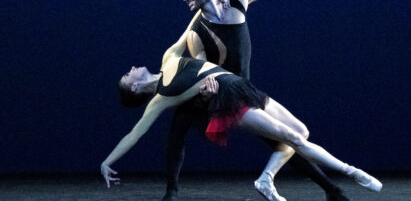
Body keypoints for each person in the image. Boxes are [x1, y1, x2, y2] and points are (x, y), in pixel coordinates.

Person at [164, 0, 350, 200]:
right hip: (220, 96)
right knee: (178, 127)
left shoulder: (238, 1)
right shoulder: (197, 32)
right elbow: (202, 70)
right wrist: (206, 88)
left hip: (246, 92)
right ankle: (171, 192)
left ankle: (330, 189)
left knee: (288, 140)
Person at [100, 26, 383, 199]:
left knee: (301, 132)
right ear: (134, 89)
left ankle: (265, 179)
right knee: (292, 138)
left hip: (241, 85)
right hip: (228, 101)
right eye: (128, 76)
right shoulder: (160, 98)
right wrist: (107, 162)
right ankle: (351, 171)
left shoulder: (168, 57)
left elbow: (190, 28)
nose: (131, 69)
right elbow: (134, 134)